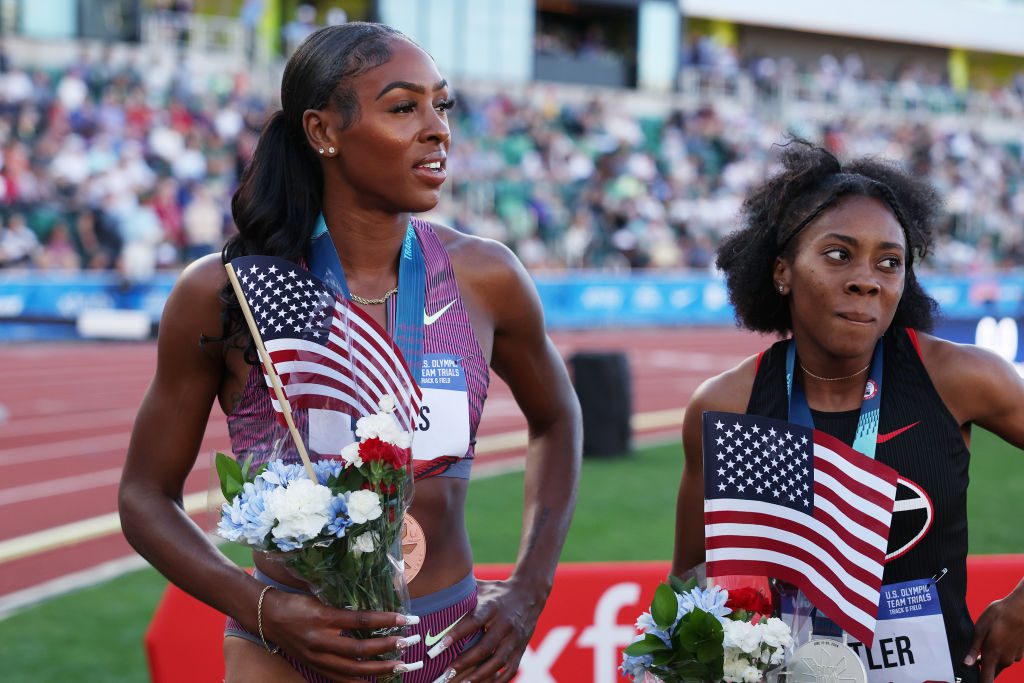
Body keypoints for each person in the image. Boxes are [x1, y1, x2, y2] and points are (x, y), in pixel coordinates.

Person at [119, 23, 582, 683]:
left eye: (440, 105)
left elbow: (559, 417)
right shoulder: (230, 292)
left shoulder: (487, 277)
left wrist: (530, 585)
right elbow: (143, 494)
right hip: (284, 653)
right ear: (323, 131)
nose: (437, 129)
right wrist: (265, 607)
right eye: (403, 107)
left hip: (460, 649)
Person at [671, 141, 1024, 683]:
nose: (867, 279)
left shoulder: (960, 378)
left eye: (890, 262)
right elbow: (692, 579)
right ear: (782, 271)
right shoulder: (726, 406)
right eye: (838, 254)